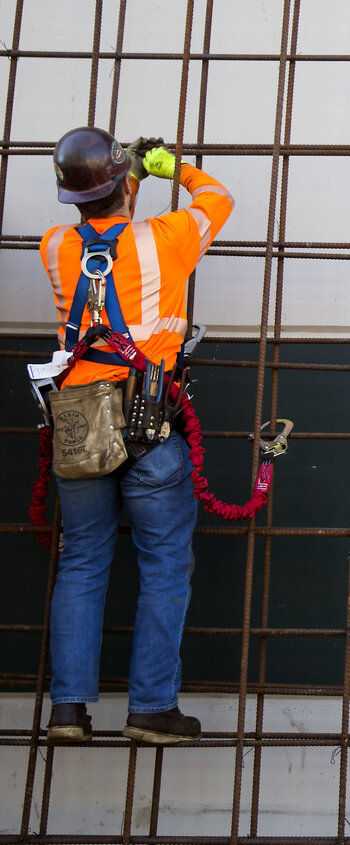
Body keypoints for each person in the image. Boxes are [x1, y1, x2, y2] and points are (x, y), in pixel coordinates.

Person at [41, 127, 233, 744]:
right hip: (152, 424)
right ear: (127, 184)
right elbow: (217, 199)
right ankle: (151, 708)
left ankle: (67, 710)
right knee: (165, 566)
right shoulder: (170, 238)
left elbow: (104, 237)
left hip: (79, 424)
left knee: (82, 564)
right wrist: (172, 167)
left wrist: (126, 182)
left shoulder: (53, 246)